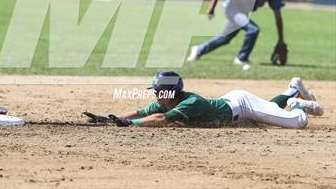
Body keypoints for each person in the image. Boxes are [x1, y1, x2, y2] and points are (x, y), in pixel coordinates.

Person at [97, 71, 324, 128]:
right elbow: (140, 113)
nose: (155, 94)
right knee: (270, 109)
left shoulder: (188, 103)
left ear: (169, 91)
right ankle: (293, 88)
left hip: (242, 106)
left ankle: (296, 104)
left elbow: (160, 119)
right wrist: (110, 119)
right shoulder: (168, 100)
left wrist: (130, 125)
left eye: (158, 90)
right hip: (231, 104)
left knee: (297, 122)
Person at [187, 0, 285, 70]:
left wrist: (281, 40)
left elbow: (278, 17)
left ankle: (198, 50)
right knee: (253, 29)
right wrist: (211, 9)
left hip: (243, 13)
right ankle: (241, 58)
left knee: (225, 38)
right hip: (232, 8)